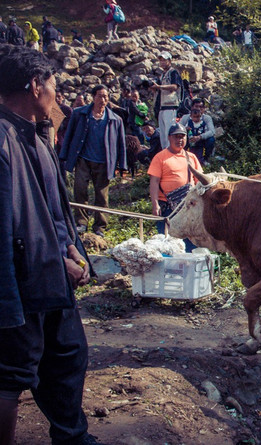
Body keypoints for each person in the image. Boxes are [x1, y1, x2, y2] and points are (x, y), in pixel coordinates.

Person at [0, 44, 104, 445]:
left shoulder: (38, 135)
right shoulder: (4, 141)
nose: (56, 96)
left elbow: (53, 208)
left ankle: (72, 437)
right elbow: (9, 228)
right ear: (34, 85)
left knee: (67, 356)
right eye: (53, 87)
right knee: (13, 374)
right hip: (23, 288)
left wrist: (72, 246)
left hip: (52, 277)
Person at [60, 84, 127, 236]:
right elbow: (69, 135)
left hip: (103, 162)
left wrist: (122, 165)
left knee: (102, 196)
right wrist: (65, 155)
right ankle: (81, 223)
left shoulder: (114, 119)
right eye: (100, 96)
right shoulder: (80, 114)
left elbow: (120, 144)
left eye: (106, 97)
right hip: (83, 159)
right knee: (80, 191)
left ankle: (100, 227)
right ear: (93, 97)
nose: (103, 100)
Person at [148, 123, 202, 252]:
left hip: (187, 207)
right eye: (176, 137)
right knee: (167, 242)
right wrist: (155, 204)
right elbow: (154, 182)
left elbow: (199, 181)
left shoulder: (191, 157)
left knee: (190, 242)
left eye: (182, 137)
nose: (180, 140)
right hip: (167, 207)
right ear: (169, 138)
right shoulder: (160, 157)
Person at [149, 51, 182, 150]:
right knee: (163, 134)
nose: (162, 62)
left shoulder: (173, 72)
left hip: (170, 106)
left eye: (164, 60)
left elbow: (175, 86)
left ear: (170, 61)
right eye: (161, 60)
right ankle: (165, 153)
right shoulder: (162, 74)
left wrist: (160, 87)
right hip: (162, 107)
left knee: (169, 132)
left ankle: (171, 152)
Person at [180, 98, 216, 165]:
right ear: (192, 107)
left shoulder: (206, 118)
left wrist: (200, 137)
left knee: (211, 139)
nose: (199, 109)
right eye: (196, 106)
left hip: (201, 139)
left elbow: (212, 131)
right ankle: (181, 156)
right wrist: (185, 129)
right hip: (189, 139)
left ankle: (206, 159)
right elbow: (178, 128)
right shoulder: (186, 117)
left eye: (201, 107)